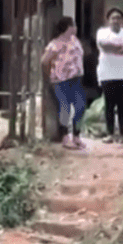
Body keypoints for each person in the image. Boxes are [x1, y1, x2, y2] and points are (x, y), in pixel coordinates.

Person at [41, 16, 87, 150]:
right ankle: (65, 137)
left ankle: (77, 136)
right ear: (68, 27)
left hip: (76, 79)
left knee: (80, 106)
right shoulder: (55, 44)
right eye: (73, 25)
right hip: (61, 80)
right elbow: (44, 61)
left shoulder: (75, 41)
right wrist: (50, 75)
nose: (76, 27)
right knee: (65, 108)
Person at [94, 8, 123, 145]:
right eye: (113, 18)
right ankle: (110, 134)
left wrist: (116, 48)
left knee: (122, 106)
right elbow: (104, 45)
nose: (116, 20)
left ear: (122, 20)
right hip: (107, 74)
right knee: (109, 106)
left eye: (118, 17)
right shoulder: (102, 32)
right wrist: (121, 48)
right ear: (109, 20)